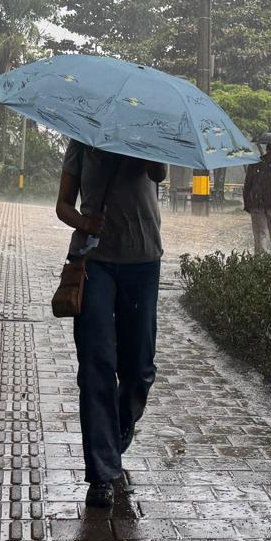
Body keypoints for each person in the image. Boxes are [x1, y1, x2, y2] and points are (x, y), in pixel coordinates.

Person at [55, 140, 167, 509]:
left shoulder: (147, 136)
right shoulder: (81, 142)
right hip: (94, 261)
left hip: (143, 260)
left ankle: (116, 432)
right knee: (96, 364)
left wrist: (145, 141)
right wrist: (84, 221)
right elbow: (63, 205)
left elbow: (159, 173)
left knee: (139, 369)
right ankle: (101, 472)